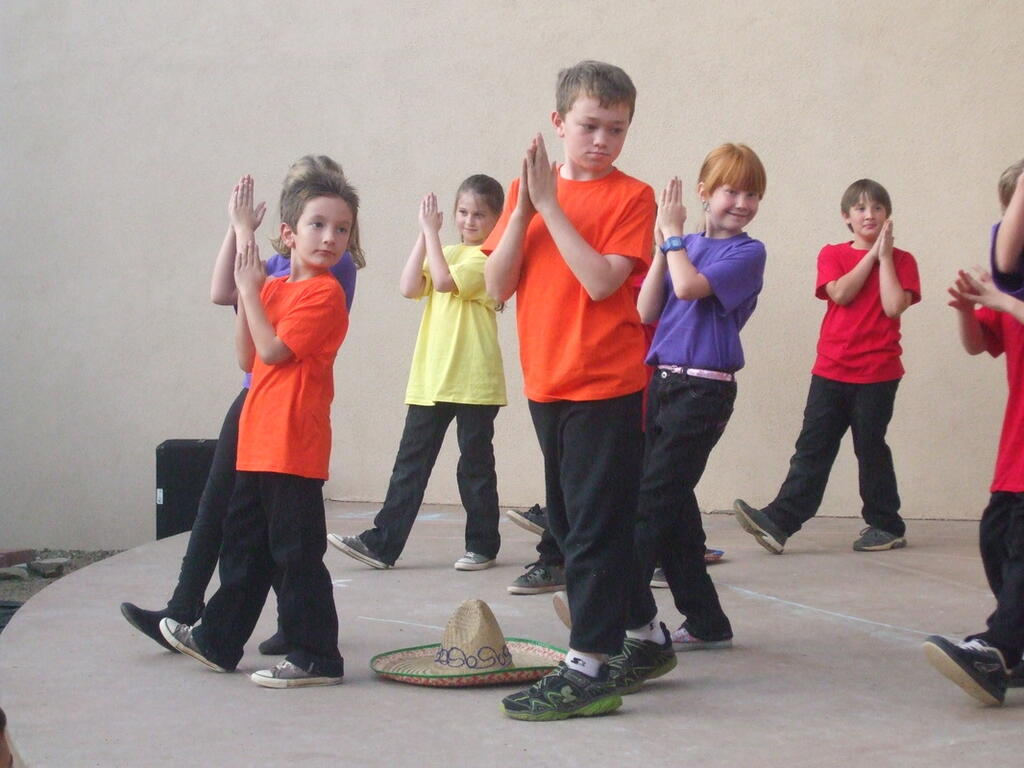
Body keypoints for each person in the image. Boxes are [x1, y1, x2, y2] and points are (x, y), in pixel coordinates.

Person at [120, 162, 362, 657]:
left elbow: (273, 351)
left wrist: (250, 289)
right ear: (288, 233)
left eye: (341, 229)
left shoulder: (325, 290)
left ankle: (316, 655)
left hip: (293, 441)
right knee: (244, 547)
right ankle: (218, 640)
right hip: (259, 436)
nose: (330, 237)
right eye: (318, 225)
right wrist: (247, 269)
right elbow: (247, 356)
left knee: (296, 553)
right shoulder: (273, 286)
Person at [485, 60, 656, 720]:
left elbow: (602, 281)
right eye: (590, 126)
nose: (602, 140)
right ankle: (646, 636)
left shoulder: (632, 197)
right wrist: (525, 209)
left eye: (617, 128)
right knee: (570, 523)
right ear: (559, 123)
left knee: (590, 531)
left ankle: (588, 667)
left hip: (605, 386)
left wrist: (550, 208)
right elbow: (497, 286)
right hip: (547, 383)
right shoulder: (525, 192)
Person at [623, 146, 766, 667]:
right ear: (705, 192)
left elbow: (688, 287)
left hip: (704, 391)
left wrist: (673, 237)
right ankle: (706, 621)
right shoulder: (683, 246)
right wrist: (664, 244)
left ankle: (615, 604)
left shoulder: (747, 253)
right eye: (732, 190)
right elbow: (646, 309)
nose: (742, 202)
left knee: (651, 502)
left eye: (752, 193)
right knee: (676, 511)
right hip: (665, 383)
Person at [329, 176, 507, 571]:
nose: (469, 221)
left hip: (474, 380)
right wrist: (424, 236)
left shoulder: (490, 258)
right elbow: (410, 287)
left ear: (498, 219)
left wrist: (431, 234)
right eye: (463, 212)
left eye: (479, 214)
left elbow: (443, 282)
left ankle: (482, 545)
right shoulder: (446, 250)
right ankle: (382, 544)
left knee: (475, 467)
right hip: (431, 378)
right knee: (410, 464)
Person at [734, 179, 920, 553]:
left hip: (878, 374)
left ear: (888, 215)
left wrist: (885, 258)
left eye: (877, 208)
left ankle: (886, 526)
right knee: (812, 448)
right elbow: (841, 293)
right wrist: (872, 254)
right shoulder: (832, 254)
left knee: (870, 448)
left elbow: (892, 306)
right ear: (846, 217)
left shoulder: (903, 260)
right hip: (831, 369)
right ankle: (779, 523)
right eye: (861, 208)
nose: (869, 214)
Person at [923, 159, 1024, 705]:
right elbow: (979, 345)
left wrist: (1002, 299)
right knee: (996, 538)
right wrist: (966, 309)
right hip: (1016, 446)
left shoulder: (1010, 292)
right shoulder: (1010, 284)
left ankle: (998, 648)